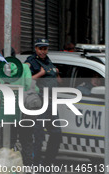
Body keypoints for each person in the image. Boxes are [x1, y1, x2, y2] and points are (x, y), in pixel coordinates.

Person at [25, 38, 62, 166]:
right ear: (36, 48)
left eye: (45, 49)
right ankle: (35, 163)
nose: (43, 51)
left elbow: (58, 81)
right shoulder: (31, 62)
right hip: (39, 102)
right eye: (40, 48)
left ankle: (48, 162)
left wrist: (56, 73)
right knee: (38, 135)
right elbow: (26, 80)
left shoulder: (49, 61)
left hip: (52, 101)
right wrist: (41, 73)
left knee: (57, 133)